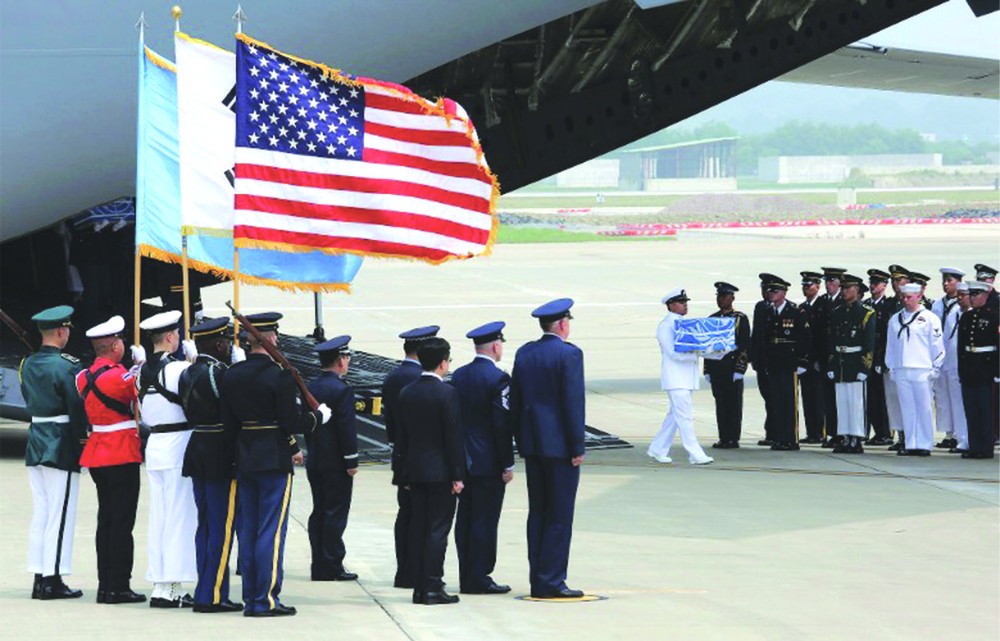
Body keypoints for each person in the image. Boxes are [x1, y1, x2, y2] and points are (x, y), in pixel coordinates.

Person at [219, 312, 332, 617]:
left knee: (250, 528)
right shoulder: (280, 375)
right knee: (270, 531)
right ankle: (264, 599)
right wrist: (318, 417)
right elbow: (291, 421)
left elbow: (230, 424)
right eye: (275, 336)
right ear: (269, 339)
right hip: (273, 458)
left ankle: (250, 595)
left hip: (244, 457)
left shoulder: (232, 374)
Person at [510, 298, 586, 599]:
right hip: (560, 448)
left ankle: (538, 576)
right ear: (564, 324)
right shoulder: (569, 355)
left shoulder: (525, 352)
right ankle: (552, 580)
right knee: (559, 515)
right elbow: (572, 403)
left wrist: (521, 438)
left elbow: (515, 401)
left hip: (533, 445)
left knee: (538, 512)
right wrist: (577, 445)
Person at [76, 315, 145, 604]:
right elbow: (140, 396)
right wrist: (141, 367)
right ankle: (118, 585)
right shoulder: (122, 376)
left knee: (106, 520)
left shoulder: (81, 377)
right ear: (115, 345)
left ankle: (106, 583)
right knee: (121, 523)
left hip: (97, 451)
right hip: (121, 452)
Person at [20, 305, 88, 600]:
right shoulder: (68, 366)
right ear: (61, 331)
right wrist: (82, 442)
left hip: (36, 439)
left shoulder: (26, 363)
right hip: (60, 442)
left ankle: (40, 574)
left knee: (43, 513)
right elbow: (76, 408)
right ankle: (53, 579)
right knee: (60, 514)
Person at [178, 317, 244, 613]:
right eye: (227, 342)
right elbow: (233, 415)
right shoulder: (222, 374)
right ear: (219, 344)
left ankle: (205, 587)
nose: (229, 346)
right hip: (219, 453)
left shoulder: (187, 372)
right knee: (221, 526)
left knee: (205, 524)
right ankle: (213, 594)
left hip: (197, 450)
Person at [395, 337, 465, 605]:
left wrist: (402, 473)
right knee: (437, 531)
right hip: (440, 473)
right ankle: (432, 587)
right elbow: (452, 437)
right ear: (443, 362)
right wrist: (458, 475)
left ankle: (419, 587)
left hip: (414, 472)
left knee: (419, 529)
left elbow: (402, 439)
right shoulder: (447, 393)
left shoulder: (408, 391)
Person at [136, 310, 197, 608]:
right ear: (172, 337)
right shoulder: (179, 369)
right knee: (178, 517)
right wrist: (195, 364)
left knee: (160, 517)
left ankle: (162, 583)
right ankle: (171, 585)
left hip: (155, 444)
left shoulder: (139, 372)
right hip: (178, 444)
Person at [450, 321, 515, 595]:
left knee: (464, 519)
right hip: (488, 462)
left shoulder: (459, 375)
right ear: (496, 346)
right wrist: (506, 462)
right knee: (485, 520)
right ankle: (480, 576)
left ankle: (467, 573)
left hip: (462, 459)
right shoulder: (498, 379)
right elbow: (501, 424)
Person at [381, 325, 440, 590]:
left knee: (405, 515)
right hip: (424, 458)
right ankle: (419, 572)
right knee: (424, 519)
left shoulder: (393, 377)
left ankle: (404, 571)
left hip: (401, 455)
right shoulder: (421, 379)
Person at [305, 336, 360, 582]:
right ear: (340, 360)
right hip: (336, 462)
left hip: (316, 459)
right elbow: (346, 428)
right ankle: (332, 564)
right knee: (335, 514)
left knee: (319, 511)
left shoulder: (312, 386)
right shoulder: (342, 389)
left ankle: (319, 563)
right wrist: (351, 460)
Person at [650, 288, 714, 465]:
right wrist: (697, 354)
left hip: (685, 379)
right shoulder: (666, 326)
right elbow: (673, 353)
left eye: (686, 302)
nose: (685, 305)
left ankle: (657, 448)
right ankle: (695, 453)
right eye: (681, 302)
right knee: (684, 417)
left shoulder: (684, 325)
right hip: (676, 379)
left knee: (674, 417)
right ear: (671, 305)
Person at [885, 284, 945, 456]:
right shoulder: (895, 319)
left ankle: (925, 443)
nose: (905, 300)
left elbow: (937, 345)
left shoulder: (929, 318)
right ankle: (911, 443)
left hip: (922, 368)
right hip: (902, 367)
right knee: (907, 408)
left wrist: (936, 366)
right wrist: (891, 366)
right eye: (903, 297)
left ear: (919, 296)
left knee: (924, 407)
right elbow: (891, 345)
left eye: (909, 297)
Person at [757, 277, 811, 451]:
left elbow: (804, 338)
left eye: (775, 291)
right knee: (776, 401)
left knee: (789, 402)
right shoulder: (767, 311)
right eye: (770, 291)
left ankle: (791, 438)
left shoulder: (796, 311)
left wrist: (802, 361)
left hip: (789, 362)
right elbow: (764, 339)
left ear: (784, 293)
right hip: (773, 363)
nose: (771, 294)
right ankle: (779, 437)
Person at [826, 275, 875, 454]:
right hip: (841, 361)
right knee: (842, 401)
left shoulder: (866, 313)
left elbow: (869, 343)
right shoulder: (837, 312)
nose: (845, 292)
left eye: (848, 288)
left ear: (857, 291)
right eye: (843, 288)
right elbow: (832, 341)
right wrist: (831, 365)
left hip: (855, 362)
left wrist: (865, 367)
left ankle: (856, 437)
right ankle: (845, 435)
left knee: (856, 402)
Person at [705, 282, 750, 449]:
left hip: (732, 368)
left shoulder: (740, 318)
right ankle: (723, 437)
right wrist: (707, 369)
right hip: (717, 369)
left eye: (725, 296)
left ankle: (733, 438)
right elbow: (707, 347)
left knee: (733, 405)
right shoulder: (712, 319)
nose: (721, 299)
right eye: (719, 296)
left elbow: (745, 345)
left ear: (732, 298)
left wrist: (740, 368)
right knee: (721, 404)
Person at [957, 281, 998, 459]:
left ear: (985, 296)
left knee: (985, 410)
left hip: (986, 368)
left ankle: (985, 447)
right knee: (971, 409)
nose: (972, 298)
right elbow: (961, 347)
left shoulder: (994, 317)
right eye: (971, 295)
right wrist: (962, 370)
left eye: (976, 295)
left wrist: (997, 372)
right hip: (970, 368)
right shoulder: (966, 317)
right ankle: (974, 446)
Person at [932, 267, 968, 452]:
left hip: (956, 358)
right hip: (942, 358)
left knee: (957, 397)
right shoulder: (938, 305)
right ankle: (948, 432)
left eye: (950, 281)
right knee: (943, 397)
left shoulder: (962, 307)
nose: (946, 284)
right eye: (944, 280)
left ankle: (959, 434)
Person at [815, 267, 846, 448]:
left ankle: (842, 433)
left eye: (832, 281)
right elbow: (817, 332)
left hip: (840, 358)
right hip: (825, 357)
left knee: (840, 398)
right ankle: (832, 432)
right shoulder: (822, 302)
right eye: (826, 281)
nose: (829, 285)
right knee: (827, 398)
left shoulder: (843, 302)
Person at [862, 269, 893, 446]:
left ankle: (884, 432)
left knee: (882, 398)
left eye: (876, 283)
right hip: (868, 357)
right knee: (870, 397)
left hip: (881, 356)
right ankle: (873, 430)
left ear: (884, 286)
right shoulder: (866, 305)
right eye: (871, 282)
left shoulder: (887, 306)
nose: (873, 286)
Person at [881, 265, 911, 450]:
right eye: (893, 281)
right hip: (891, 360)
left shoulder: (912, 305)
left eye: (899, 280)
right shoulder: (889, 305)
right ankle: (900, 436)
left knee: (907, 401)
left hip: (908, 361)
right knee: (893, 401)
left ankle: (909, 436)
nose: (896, 284)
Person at [749, 274, 780, 446]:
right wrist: (753, 357)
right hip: (762, 362)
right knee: (768, 397)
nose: (765, 293)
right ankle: (771, 432)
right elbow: (757, 335)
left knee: (777, 398)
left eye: (768, 289)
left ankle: (777, 433)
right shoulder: (760, 307)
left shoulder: (780, 308)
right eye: (763, 289)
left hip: (775, 362)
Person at [797, 271, 826, 444]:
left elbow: (821, 336)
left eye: (809, 285)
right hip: (805, 361)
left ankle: (821, 432)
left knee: (819, 399)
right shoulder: (802, 308)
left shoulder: (822, 305)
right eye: (804, 285)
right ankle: (812, 432)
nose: (806, 288)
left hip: (817, 361)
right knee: (808, 398)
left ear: (817, 286)